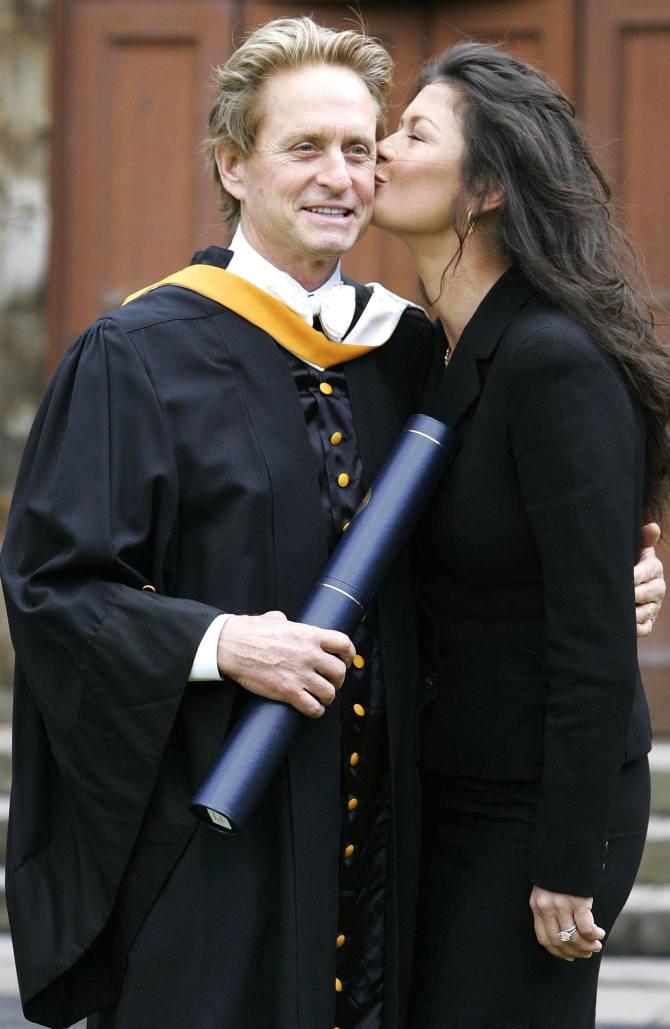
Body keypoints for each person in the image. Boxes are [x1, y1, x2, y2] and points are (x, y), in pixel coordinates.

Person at [0, 18, 663, 1029]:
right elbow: (52, 584)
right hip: (219, 844)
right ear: (233, 164)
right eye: (304, 147)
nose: (341, 176)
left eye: (362, 148)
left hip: (394, 848)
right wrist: (221, 642)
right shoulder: (137, 358)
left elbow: (475, 556)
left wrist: (606, 585)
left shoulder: (410, 356)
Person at [372, 41, 670, 1028]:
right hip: (444, 787)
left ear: (486, 188)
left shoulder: (553, 363)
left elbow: (593, 638)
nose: (377, 150)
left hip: (532, 812)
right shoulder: (434, 353)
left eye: (413, 132)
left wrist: (563, 860)